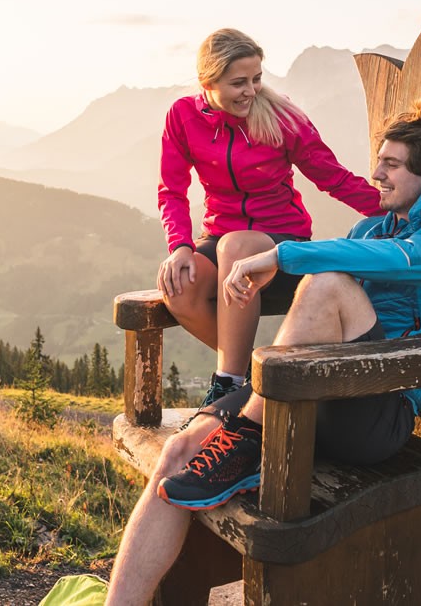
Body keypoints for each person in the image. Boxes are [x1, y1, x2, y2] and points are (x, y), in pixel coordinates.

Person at [106, 104, 421, 604]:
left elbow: (393, 261)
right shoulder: (374, 227)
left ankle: (246, 433)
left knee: (327, 281)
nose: (375, 174)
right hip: (309, 393)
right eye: (379, 161)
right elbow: (355, 253)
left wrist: (277, 256)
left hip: (377, 409)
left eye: (391, 164)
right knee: (179, 452)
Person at [157, 28, 381, 406]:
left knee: (238, 245)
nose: (251, 91)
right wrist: (179, 247)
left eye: (257, 79)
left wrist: (401, 210)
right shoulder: (182, 117)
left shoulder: (282, 115)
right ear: (207, 82)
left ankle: (226, 385)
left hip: (282, 242)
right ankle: (250, 377)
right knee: (179, 285)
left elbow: (333, 177)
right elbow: (172, 190)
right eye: (238, 82)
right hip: (220, 237)